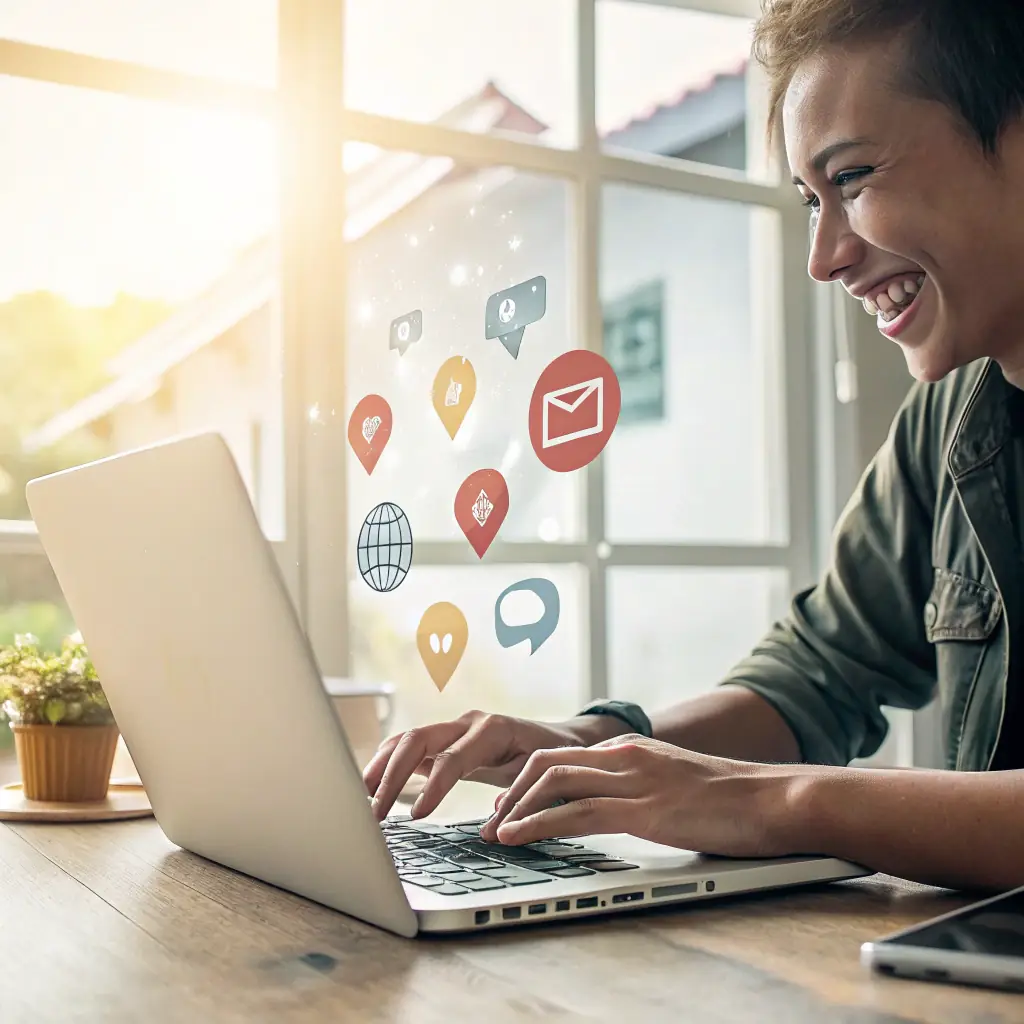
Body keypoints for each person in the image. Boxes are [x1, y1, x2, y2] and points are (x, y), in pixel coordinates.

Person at [365, 0, 1024, 893]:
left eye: (856, 177)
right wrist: (593, 744)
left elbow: (784, 774)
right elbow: (818, 676)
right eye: (808, 201)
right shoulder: (950, 421)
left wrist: (773, 802)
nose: (822, 258)